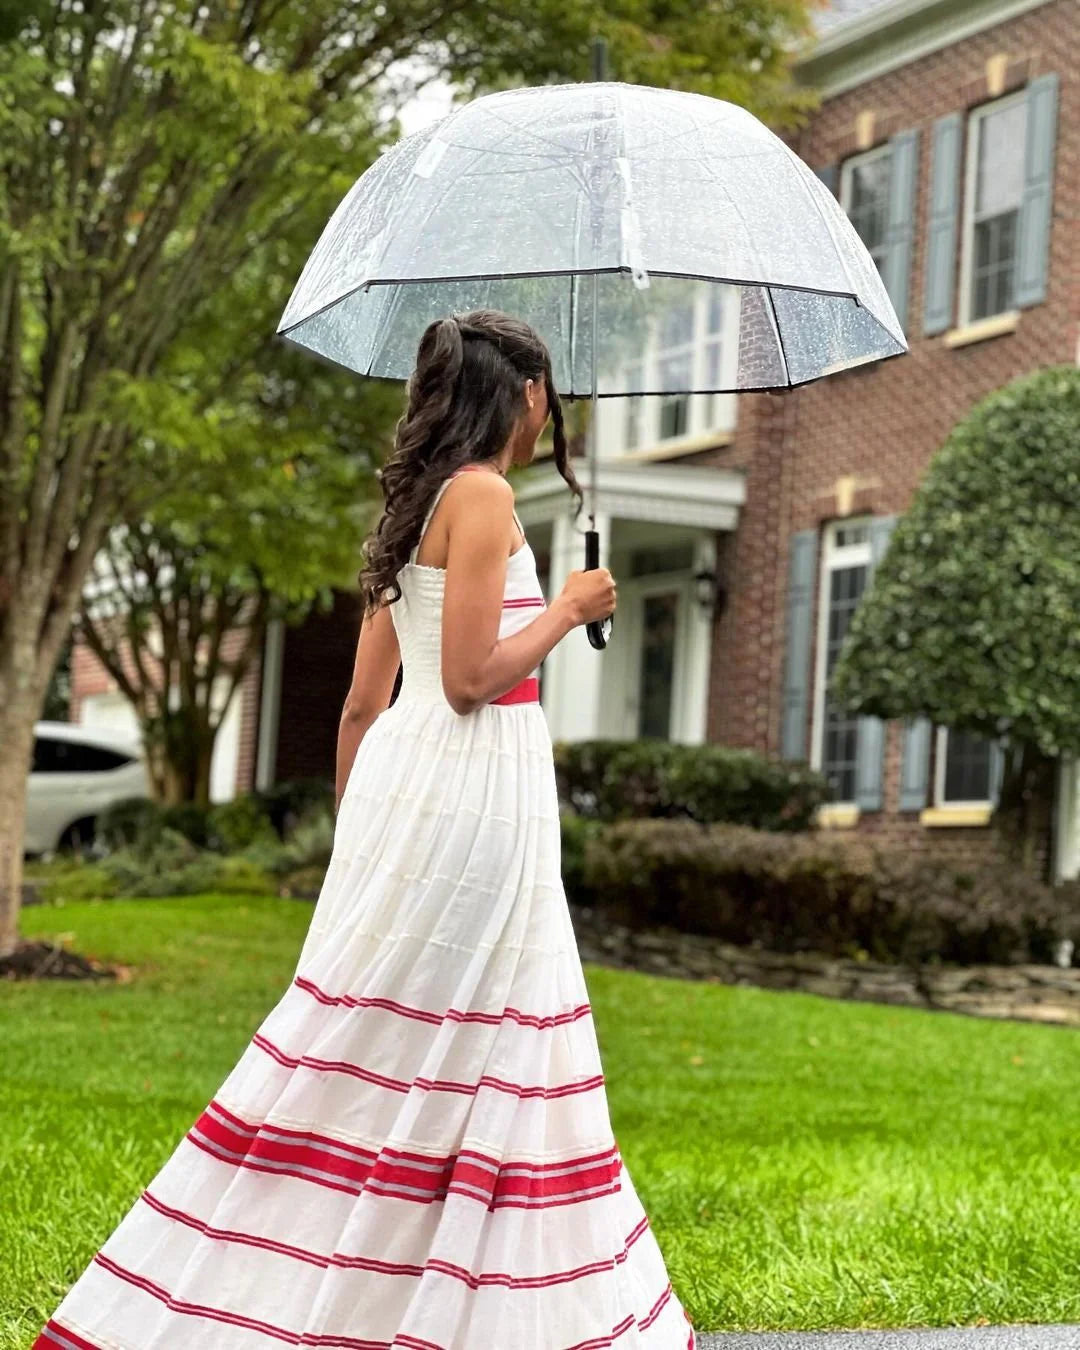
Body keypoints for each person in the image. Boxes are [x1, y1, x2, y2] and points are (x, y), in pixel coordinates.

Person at [34, 309, 695, 1350]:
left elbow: (359, 704)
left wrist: (366, 842)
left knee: (385, 1027)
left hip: (407, 785)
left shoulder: (418, 503)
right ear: (519, 394)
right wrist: (568, 608)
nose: (550, 409)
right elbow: (474, 680)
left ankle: (343, 1274)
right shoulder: (480, 497)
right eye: (546, 390)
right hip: (475, 786)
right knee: (480, 1028)